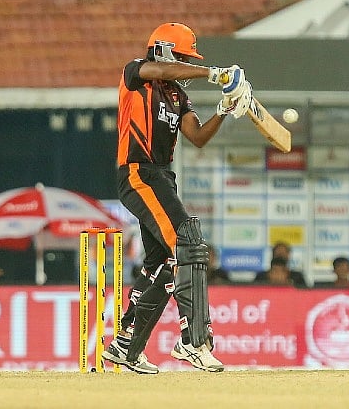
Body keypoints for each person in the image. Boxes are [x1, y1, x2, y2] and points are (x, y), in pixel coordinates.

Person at [101, 22, 253, 374]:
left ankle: (126, 344)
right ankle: (194, 341)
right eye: (183, 58)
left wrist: (225, 109)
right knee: (189, 244)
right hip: (138, 173)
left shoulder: (178, 96)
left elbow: (197, 136)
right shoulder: (137, 73)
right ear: (165, 51)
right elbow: (161, 70)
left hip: (162, 177)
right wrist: (214, 74)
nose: (186, 66)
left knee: (163, 262)